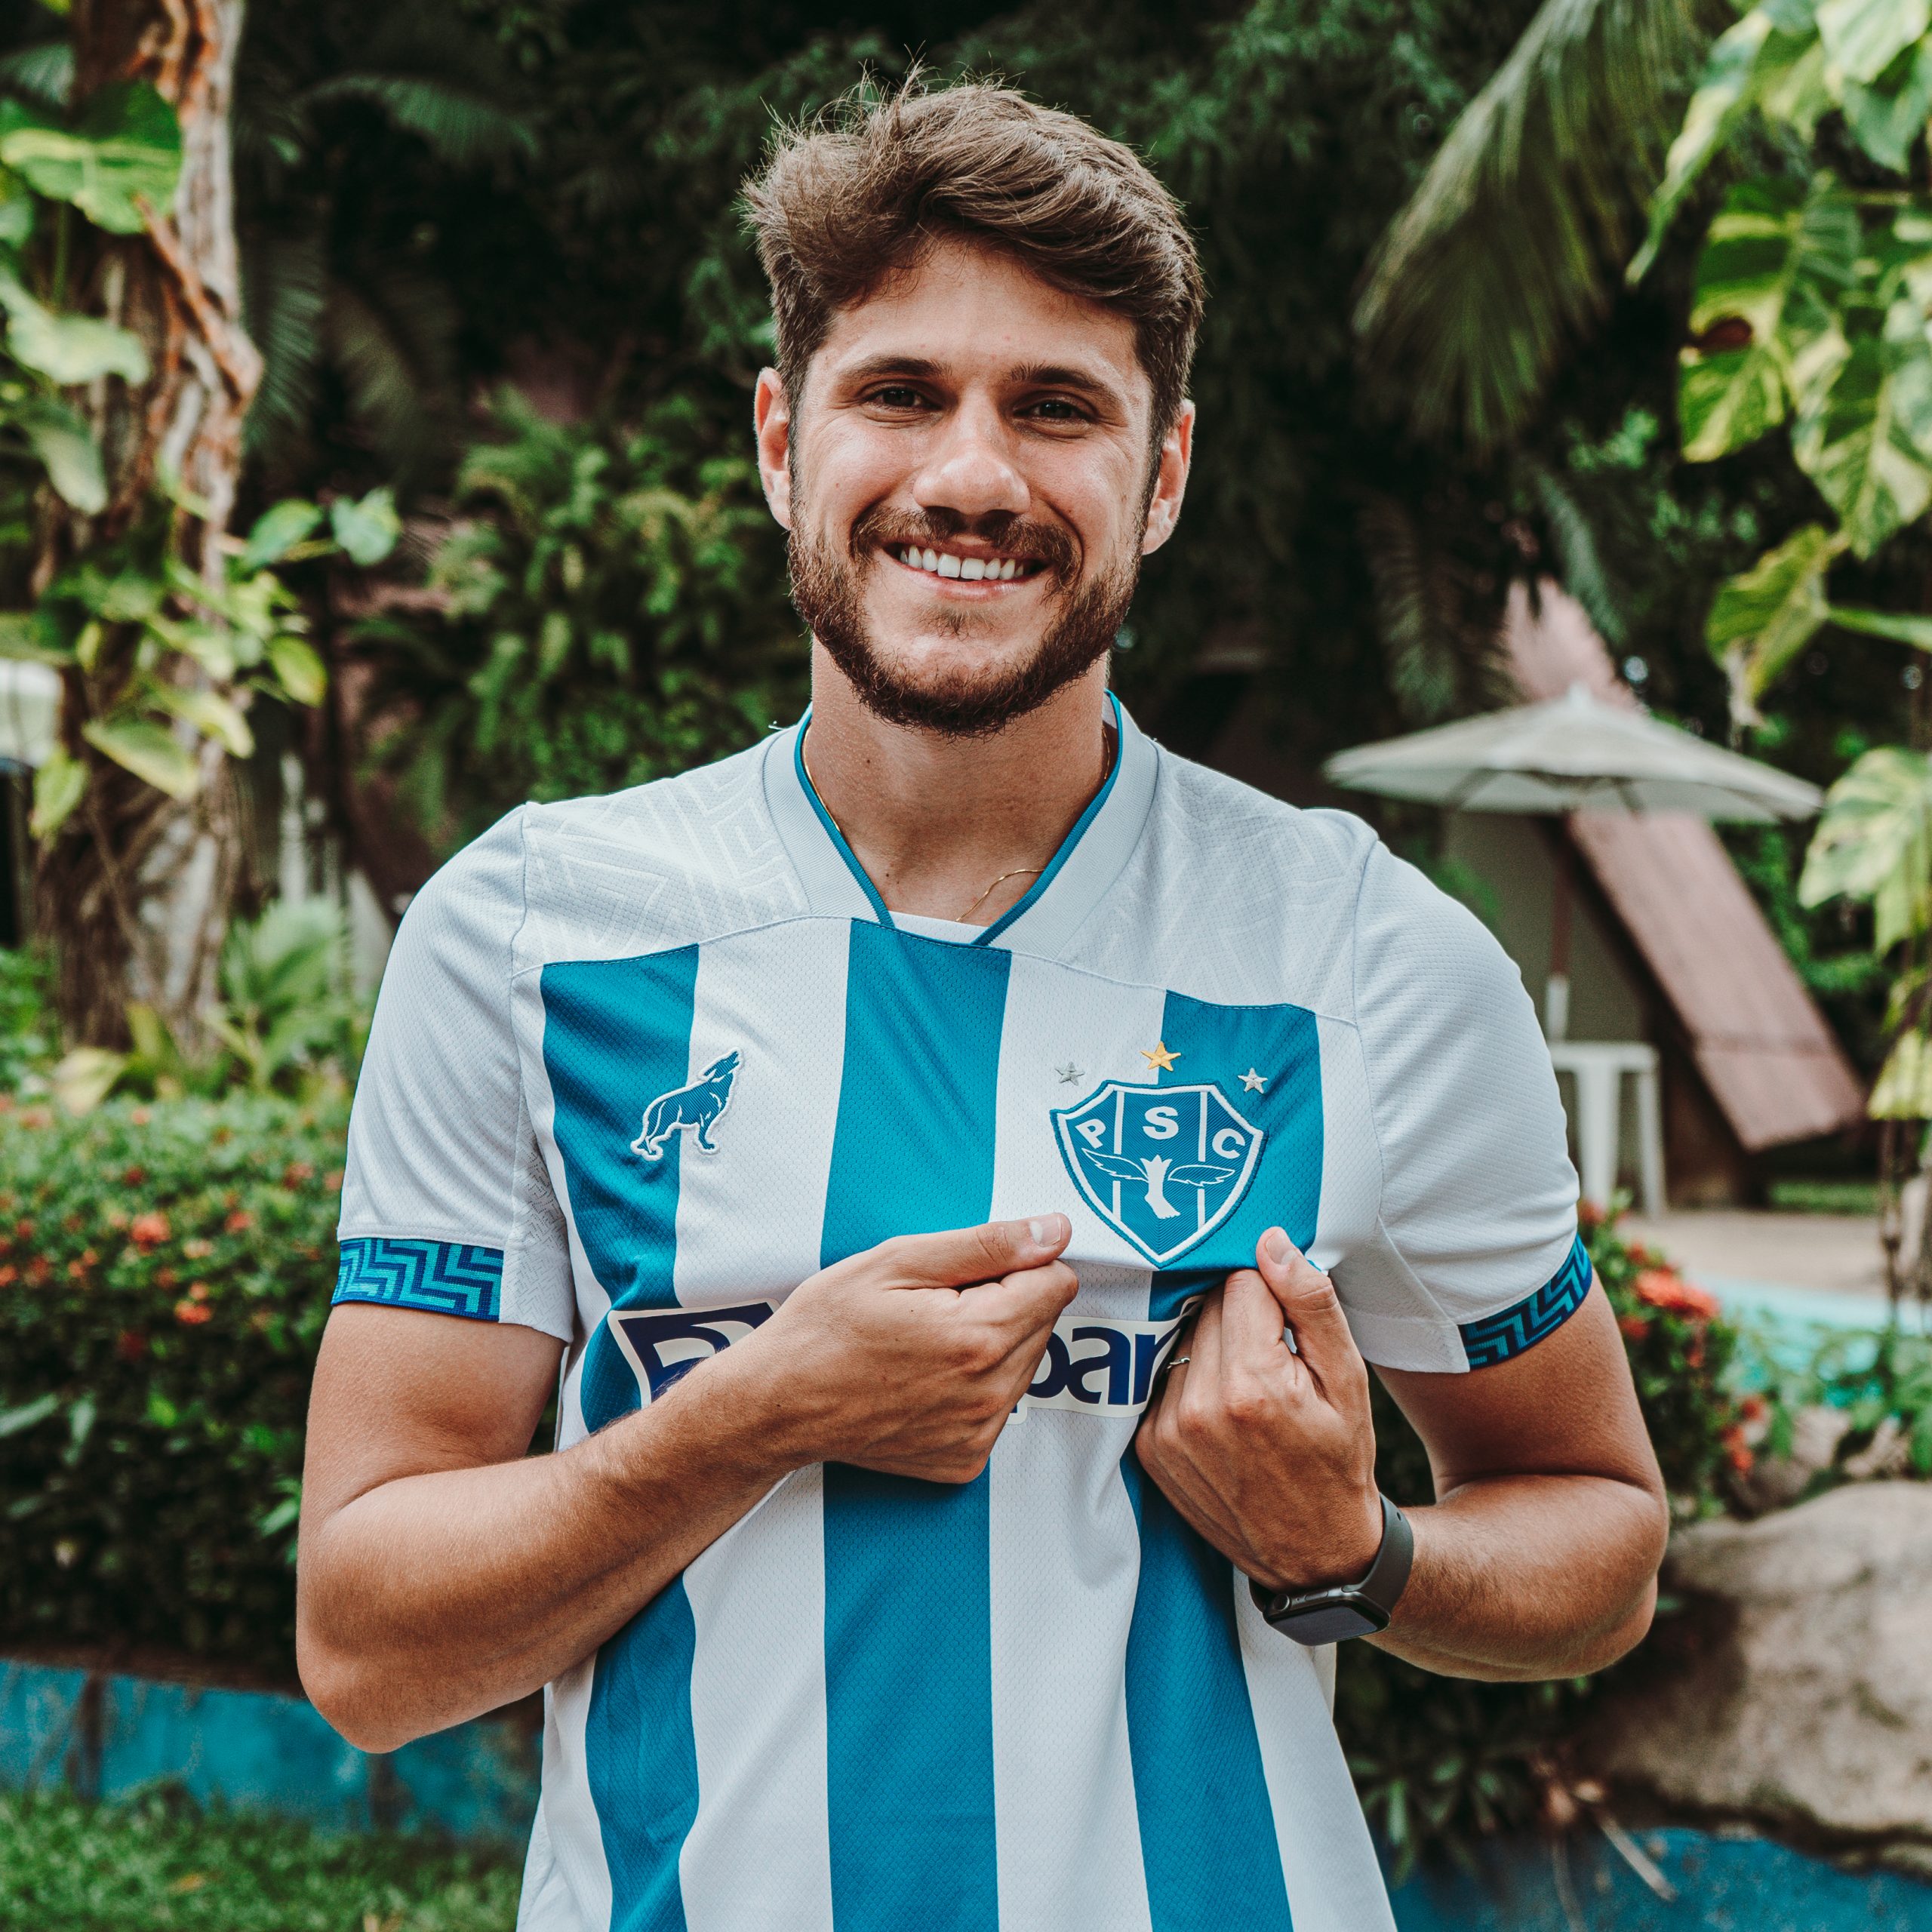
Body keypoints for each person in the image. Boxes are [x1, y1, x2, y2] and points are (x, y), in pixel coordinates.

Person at [297, 77, 1668, 1932]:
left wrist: (1358, 1547)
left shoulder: (1368, 956)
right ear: (781, 438)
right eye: (898, 394)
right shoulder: (531, 930)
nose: (969, 475)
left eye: (1055, 407)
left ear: (1159, 473)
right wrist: (749, 1410)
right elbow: (367, 1645)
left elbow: (1596, 1528)